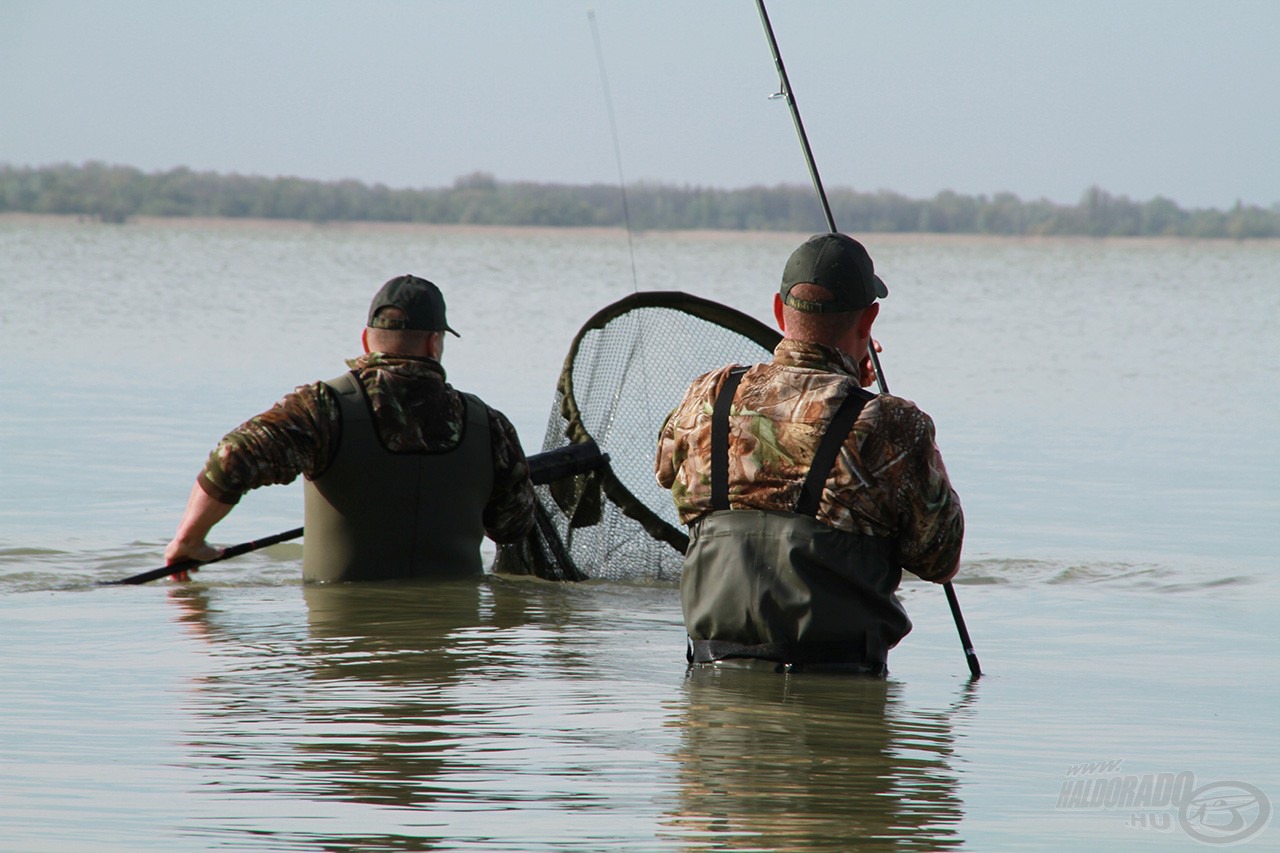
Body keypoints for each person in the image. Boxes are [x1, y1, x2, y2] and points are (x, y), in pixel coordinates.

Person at [655, 233, 964, 674]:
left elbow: (664, 471)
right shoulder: (891, 424)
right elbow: (939, 558)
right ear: (869, 320)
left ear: (780, 312)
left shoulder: (710, 394)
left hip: (711, 692)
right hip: (836, 689)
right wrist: (861, 401)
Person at [165, 274, 536, 583]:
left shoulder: (322, 409)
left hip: (345, 657)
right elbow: (511, 528)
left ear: (365, 338)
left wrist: (189, 540)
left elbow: (233, 458)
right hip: (452, 652)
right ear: (434, 342)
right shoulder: (489, 425)